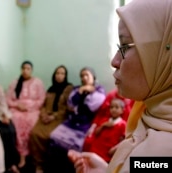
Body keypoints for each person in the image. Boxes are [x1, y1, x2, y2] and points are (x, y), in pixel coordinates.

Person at [68, 0, 172, 173]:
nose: (115, 61)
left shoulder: (162, 150)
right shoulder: (151, 116)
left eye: (125, 46)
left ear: (162, 55)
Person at [29, 65, 73, 173]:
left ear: (65, 76)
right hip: (45, 117)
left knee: (50, 136)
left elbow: (67, 108)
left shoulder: (68, 88)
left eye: (62, 73)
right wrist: (43, 114)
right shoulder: (50, 88)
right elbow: (43, 104)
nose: (59, 76)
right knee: (34, 133)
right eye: (57, 73)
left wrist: (53, 116)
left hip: (59, 118)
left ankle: (48, 165)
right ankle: (38, 164)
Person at [6, 61, 45, 168]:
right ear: (21, 70)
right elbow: (8, 99)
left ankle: (32, 155)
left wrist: (29, 107)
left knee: (31, 123)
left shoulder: (37, 82)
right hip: (17, 110)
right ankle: (21, 155)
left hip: (32, 110)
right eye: (23, 68)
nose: (25, 71)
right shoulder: (15, 82)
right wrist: (17, 105)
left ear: (31, 70)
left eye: (28, 69)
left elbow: (41, 99)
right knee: (16, 121)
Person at [83, 98, 126, 163]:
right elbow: (96, 133)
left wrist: (114, 149)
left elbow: (122, 141)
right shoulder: (104, 120)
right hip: (95, 150)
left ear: (122, 110)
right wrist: (103, 126)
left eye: (116, 107)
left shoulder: (123, 125)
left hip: (106, 155)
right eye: (111, 107)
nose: (113, 109)